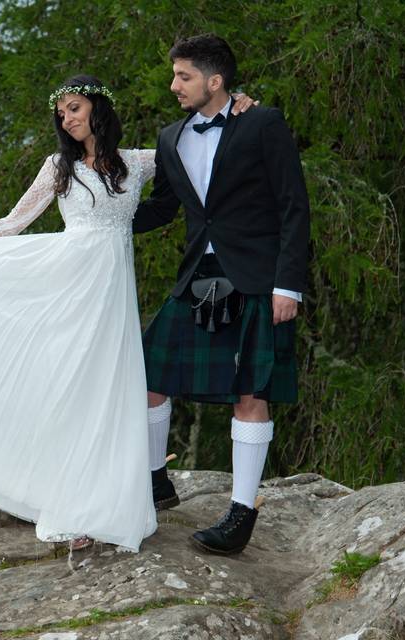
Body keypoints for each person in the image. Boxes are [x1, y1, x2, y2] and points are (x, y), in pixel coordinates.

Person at [0, 74, 255, 554]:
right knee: (70, 387)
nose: (66, 118)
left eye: (73, 108)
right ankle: (71, 501)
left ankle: (104, 500)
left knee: (106, 389)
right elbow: (12, 223)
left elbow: (197, 148)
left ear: (96, 109)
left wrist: (235, 110)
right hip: (67, 285)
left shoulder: (135, 161)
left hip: (110, 292)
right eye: (61, 112)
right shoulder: (57, 167)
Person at [134, 34, 310, 555]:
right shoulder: (172, 137)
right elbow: (163, 209)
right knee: (147, 376)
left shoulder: (262, 124)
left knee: (251, 394)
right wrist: (99, 222)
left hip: (256, 277)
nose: (173, 86)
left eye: (183, 76)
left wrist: (287, 284)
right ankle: (155, 482)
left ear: (215, 80)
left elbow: (293, 206)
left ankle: (240, 510)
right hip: (197, 278)